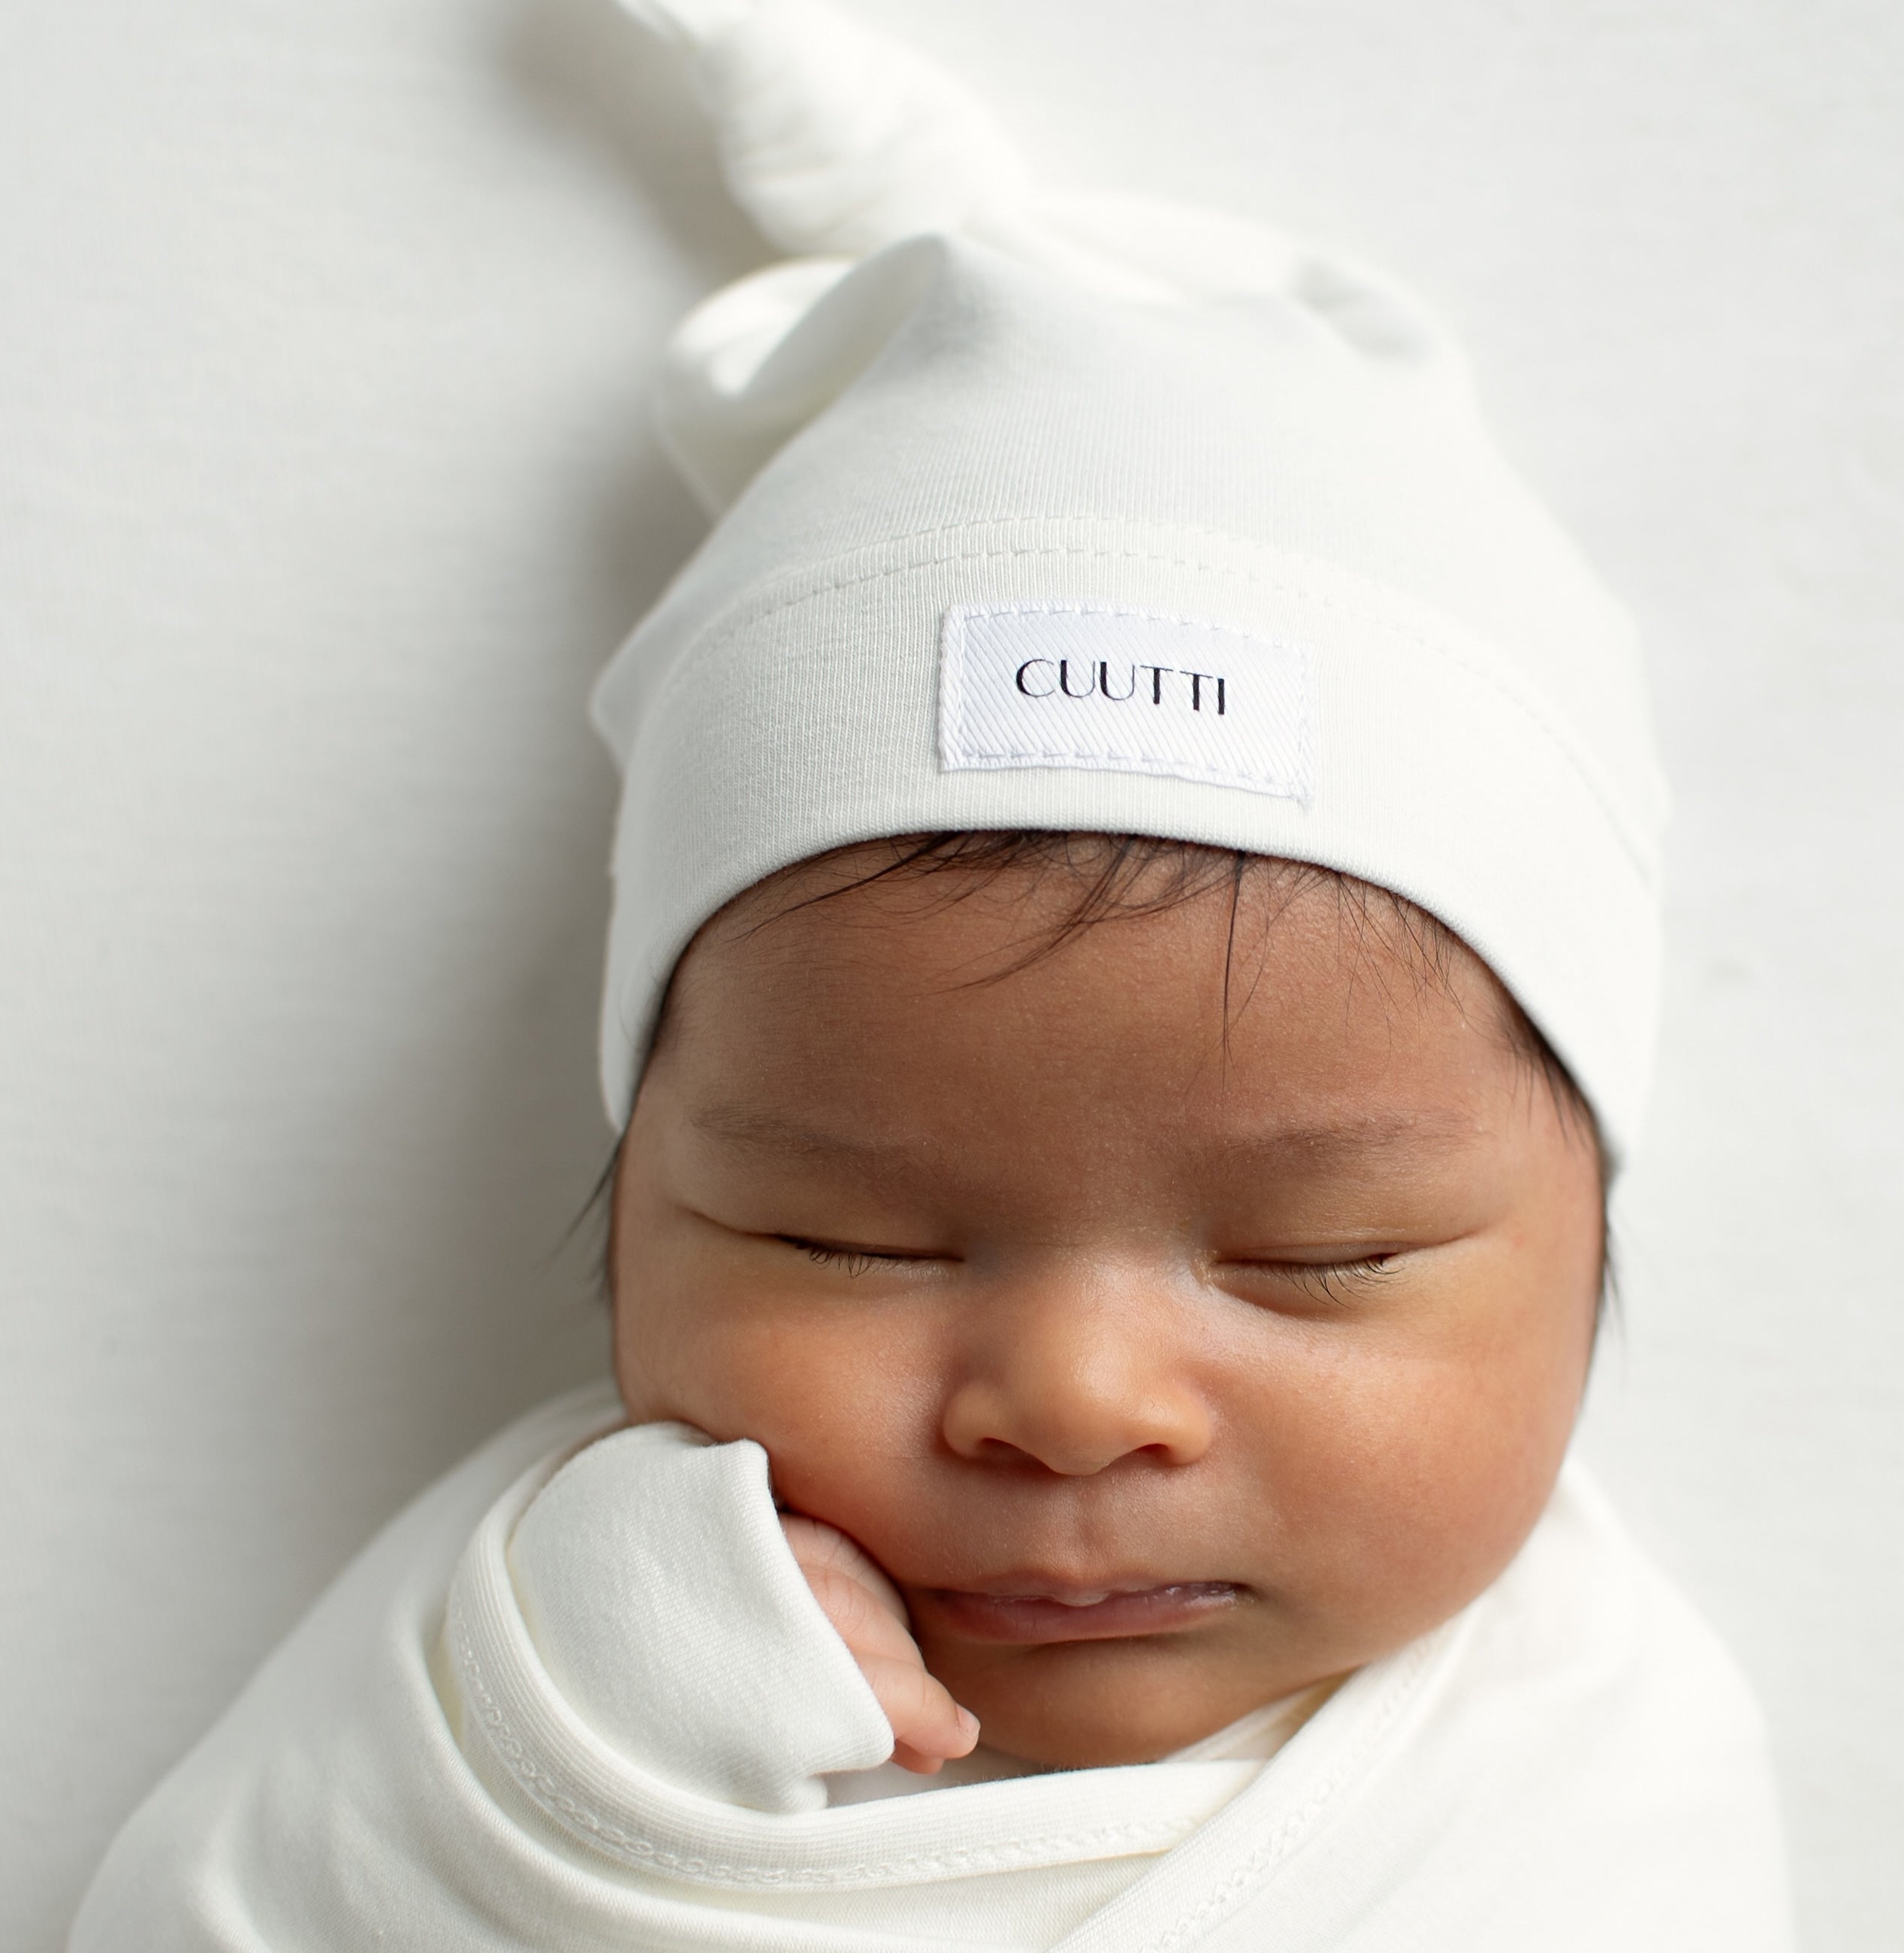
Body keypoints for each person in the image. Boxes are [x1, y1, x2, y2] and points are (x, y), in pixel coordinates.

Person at [71, 1, 1796, 1945]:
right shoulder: (520, 1676)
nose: (1072, 1399)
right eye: (845, 1238)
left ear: (1588, 1244)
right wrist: (587, 1740)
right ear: (636, 1198)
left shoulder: (1604, 1783)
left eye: (1320, 1256)